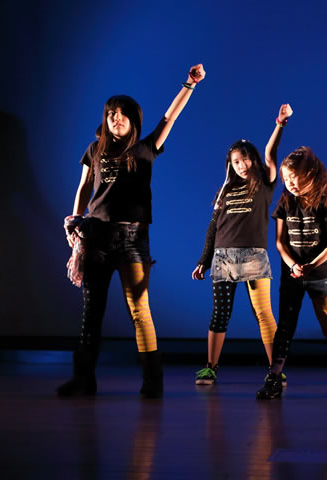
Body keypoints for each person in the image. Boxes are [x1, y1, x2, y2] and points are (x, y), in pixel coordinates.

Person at [58, 64, 206, 398]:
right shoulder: (94, 150)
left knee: (139, 308)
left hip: (132, 238)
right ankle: (84, 379)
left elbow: (169, 118)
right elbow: (84, 188)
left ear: (133, 119)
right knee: (92, 310)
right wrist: (74, 220)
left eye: (122, 113)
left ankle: (152, 381)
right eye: (111, 113)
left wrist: (190, 84)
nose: (116, 118)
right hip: (95, 235)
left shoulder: (145, 148)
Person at [192, 105, 292, 385]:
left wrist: (280, 124)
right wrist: (203, 259)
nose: (241, 165)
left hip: (254, 256)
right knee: (220, 314)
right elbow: (213, 227)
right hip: (223, 257)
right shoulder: (224, 190)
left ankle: (275, 369)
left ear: (253, 160)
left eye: (245, 159)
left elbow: (271, 153)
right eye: (236, 161)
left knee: (263, 313)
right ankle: (211, 367)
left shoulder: (264, 183)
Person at [256, 146, 327, 400]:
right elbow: (279, 242)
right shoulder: (285, 201)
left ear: (310, 174)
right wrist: (293, 265)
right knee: (285, 326)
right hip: (292, 275)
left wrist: (312, 265)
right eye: (286, 178)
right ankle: (274, 377)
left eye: (294, 177)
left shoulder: (326, 202)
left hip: (321, 275)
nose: (290, 183)